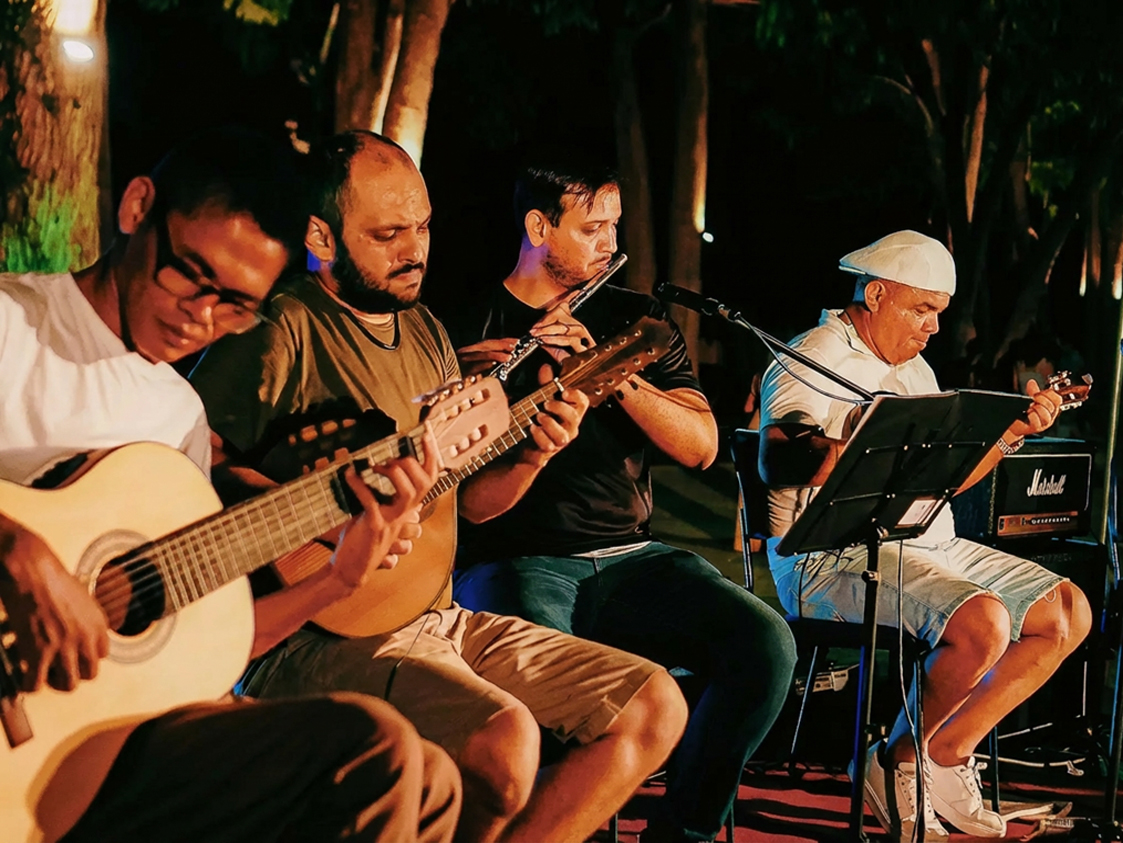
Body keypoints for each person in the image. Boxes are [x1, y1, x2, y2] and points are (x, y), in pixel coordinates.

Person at [188, 130, 689, 843]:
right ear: (320, 234)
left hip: (433, 617)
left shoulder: (423, 329)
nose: (415, 249)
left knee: (651, 706)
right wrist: (334, 521)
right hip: (313, 629)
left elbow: (464, 503)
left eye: (423, 226)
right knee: (503, 741)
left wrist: (529, 454)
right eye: (389, 233)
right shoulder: (278, 328)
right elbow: (192, 466)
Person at [0, 127, 461, 843]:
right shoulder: (13, 324)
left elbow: (203, 647)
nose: (202, 316)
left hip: (100, 738)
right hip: (38, 746)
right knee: (375, 745)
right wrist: (16, 547)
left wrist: (337, 579)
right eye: (190, 273)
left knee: (429, 779)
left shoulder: (176, 415)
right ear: (137, 207)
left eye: (238, 305)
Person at [446, 161, 798, 843]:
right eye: (592, 227)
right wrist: (469, 381)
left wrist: (612, 372)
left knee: (765, 646)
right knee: (553, 699)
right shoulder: (463, 320)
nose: (610, 241)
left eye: (614, 224)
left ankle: (681, 831)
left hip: (634, 556)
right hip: (515, 558)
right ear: (537, 227)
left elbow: (699, 445)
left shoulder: (636, 318)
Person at [757, 230, 1092, 841]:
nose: (933, 327)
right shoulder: (809, 357)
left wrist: (1013, 431)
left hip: (923, 539)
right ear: (876, 294)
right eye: (922, 309)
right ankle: (894, 762)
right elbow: (778, 456)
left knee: (1066, 611)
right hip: (828, 557)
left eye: (938, 312)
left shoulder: (915, 369)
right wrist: (852, 448)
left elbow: (952, 481)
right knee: (981, 621)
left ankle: (945, 755)